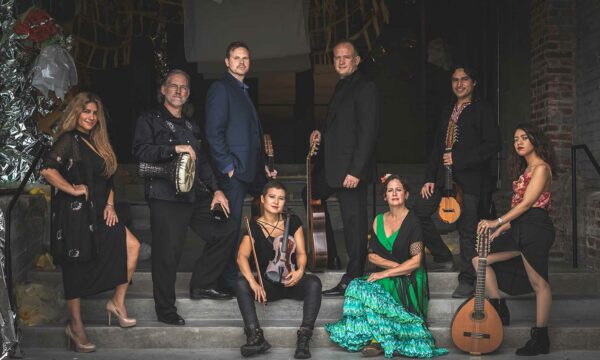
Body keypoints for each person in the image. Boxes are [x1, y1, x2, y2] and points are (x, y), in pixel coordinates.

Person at [132, 69, 237, 326]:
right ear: (163, 90)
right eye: (173, 86)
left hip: (194, 195)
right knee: (167, 254)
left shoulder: (192, 126)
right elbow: (139, 151)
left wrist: (217, 191)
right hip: (166, 197)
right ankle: (165, 310)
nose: (179, 91)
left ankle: (201, 284)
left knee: (227, 229)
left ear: (188, 93)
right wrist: (174, 148)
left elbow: (202, 164)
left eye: (184, 87)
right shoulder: (150, 119)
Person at [41, 92, 141, 352]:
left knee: (133, 246)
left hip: (99, 212)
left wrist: (110, 204)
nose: (91, 117)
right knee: (75, 267)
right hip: (75, 214)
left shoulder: (97, 142)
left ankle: (117, 302)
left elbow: (108, 178)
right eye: (86, 111)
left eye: (95, 113)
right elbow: (48, 169)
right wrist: (72, 189)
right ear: (76, 112)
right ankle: (75, 326)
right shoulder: (69, 139)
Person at [326, 174, 447, 358]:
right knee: (355, 286)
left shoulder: (413, 221)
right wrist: (396, 267)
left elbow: (415, 262)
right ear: (385, 197)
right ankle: (375, 334)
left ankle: (380, 339)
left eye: (399, 190)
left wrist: (388, 272)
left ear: (406, 195)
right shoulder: (378, 220)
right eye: (390, 190)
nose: (395, 193)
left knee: (376, 287)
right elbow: (372, 256)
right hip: (395, 272)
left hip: (411, 278)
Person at [413, 64, 500, 298]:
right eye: (454, 80)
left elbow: (493, 145)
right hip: (443, 180)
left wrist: (458, 158)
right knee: (418, 212)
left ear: (474, 83)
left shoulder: (483, 109)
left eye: (464, 79)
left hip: (470, 182)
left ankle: (468, 278)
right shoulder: (448, 109)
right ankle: (441, 254)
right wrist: (429, 178)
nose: (459, 84)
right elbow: (437, 147)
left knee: (467, 231)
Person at [307, 39, 380, 296]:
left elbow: (367, 133)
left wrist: (356, 171)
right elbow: (340, 126)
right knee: (312, 195)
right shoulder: (341, 86)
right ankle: (331, 255)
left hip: (350, 171)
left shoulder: (365, 87)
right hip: (332, 167)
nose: (340, 61)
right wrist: (321, 133)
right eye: (337, 57)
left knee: (354, 224)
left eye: (346, 57)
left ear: (357, 60)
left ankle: (353, 276)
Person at [475, 123, 555, 356]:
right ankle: (500, 309)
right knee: (479, 261)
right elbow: (521, 211)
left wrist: (496, 222)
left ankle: (541, 337)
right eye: (515, 138)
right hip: (520, 227)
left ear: (535, 141)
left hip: (536, 228)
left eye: (524, 138)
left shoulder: (541, 168)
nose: (518, 142)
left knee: (539, 283)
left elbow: (528, 205)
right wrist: (501, 230)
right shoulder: (526, 170)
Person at [205, 41, 277, 291]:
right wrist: (227, 166)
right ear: (227, 62)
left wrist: (263, 168)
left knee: (268, 210)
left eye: (245, 58)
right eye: (236, 58)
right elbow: (213, 132)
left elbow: (252, 137)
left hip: (250, 169)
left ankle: (266, 267)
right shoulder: (221, 88)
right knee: (230, 227)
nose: (241, 62)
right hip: (233, 170)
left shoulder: (242, 90)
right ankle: (223, 279)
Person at [234, 181, 322, 359]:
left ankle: (304, 338)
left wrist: (300, 270)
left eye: (281, 198)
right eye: (272, 197)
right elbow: (241, 257)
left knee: (314, 282)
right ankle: (255, 336)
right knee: (240, 283)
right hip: (268, 285)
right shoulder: (254, 226)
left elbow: (301, 253)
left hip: (292, 280)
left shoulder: (293, 220)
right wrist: (253, 282)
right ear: (262, 199)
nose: (276, 202)